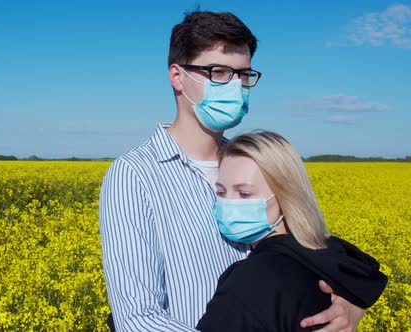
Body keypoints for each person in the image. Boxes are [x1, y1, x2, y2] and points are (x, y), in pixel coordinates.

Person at [99, 10, 367, 331]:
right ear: (177, 76)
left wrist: (349, 300)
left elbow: (307, 251)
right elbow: (138, 320)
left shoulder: (255, 161)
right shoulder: (135, 175)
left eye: (243, 75)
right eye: (219, 72)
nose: (236, 86)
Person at [195, 131, 387, 331]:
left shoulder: (250, 280)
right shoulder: (333, 263)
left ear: (286, 195)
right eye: (221, 192)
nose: (228, 204)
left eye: (244, 193)